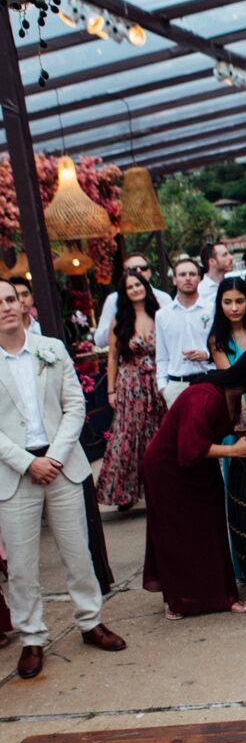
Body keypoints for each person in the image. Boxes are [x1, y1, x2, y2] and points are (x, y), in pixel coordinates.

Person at [0, 279, 125, 680]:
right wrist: (26, 462)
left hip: (61, 465)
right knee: (21, 564)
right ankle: (32, 637)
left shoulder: (52, 349)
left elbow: (75, 406)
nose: (5, 307)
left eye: (9, 298)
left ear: (22, 303)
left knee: (78, 551)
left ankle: (90, 622)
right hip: (14, 472)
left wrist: (52, 456)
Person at [142, 348, 246, 619]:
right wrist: (234, 451)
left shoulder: (232, 394)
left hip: (197, 466)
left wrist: (245, 435)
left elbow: (214, 430)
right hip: (169, 470)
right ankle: (180, 600)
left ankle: (219, 594)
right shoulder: (204, 396)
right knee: (177, 533)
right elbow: (189, 446)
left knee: (211, 528)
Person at [97, 270, 167, 513]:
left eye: (138, 285)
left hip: (157, 382)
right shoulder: (120, 320)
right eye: (130, 287)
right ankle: (126, 492)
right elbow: (113, 357)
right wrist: (111, 391)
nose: (135, 289)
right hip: (131, 384)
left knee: (158, 434)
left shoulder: (160, 315)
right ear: (124, 293)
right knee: (129, 436)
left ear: (145, 286)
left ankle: (160, 489)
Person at [154, 258, 214, 407]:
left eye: (192, 274)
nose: (188, 278)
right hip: (176, 386)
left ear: (199, 278)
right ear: (174, 280)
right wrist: (163, 388)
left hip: (208, 379)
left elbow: (223, 346)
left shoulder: (213, 309)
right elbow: (162, 356)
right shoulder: (163, 315)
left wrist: (206, 355)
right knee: (182, 430)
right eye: (182, 274)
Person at [93, 251, 172, 349]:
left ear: (150, 272)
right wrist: (120, 323)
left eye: (143, 268)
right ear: (125, 274)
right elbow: (99, 341)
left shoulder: (163, 298)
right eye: (133, 269)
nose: (139, 271)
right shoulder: (113, 300)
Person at [208, 276, 246, 368]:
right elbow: (229, 379)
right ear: (220, 304)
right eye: (227, 302)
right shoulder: (217, 341)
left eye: (239, 301)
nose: (234, 308)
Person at [197, 240, 235, 312]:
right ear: (212, 261)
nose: (231, 257)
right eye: (225, 255)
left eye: (229, 254)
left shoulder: (231, 285)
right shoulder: (200, 291)